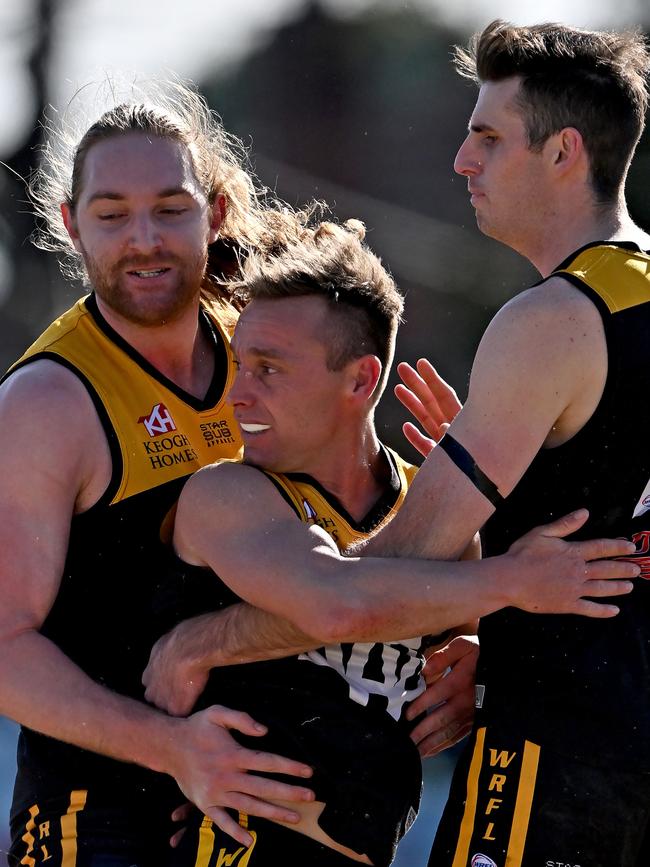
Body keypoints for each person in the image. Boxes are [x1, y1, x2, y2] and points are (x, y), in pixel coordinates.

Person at [141, 218, 639, 866]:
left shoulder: (435, 524)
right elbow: (334, 602)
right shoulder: (225, 495)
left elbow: (471, 645)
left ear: (359, 380)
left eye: (268, 368)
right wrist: (512, 577)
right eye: (239, 363)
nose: (238, 393)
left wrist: (479, 664)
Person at [1, 80, 317, 867]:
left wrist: (460, 646)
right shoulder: (47, 402)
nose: (143, 239)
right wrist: (174, 746)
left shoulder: (269, 347)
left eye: (170, 209)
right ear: (72, 227)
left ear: (212, 211)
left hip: (262, 805)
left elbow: (355, 537)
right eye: (111, 215)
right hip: (99, 822)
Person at [366, 20, 650, 867]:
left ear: (565, 152)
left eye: (487, 136)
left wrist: (216, 631)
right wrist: (493, 637)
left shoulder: (551, 320)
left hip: (556, 768)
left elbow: (405, 560)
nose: (463, 160)